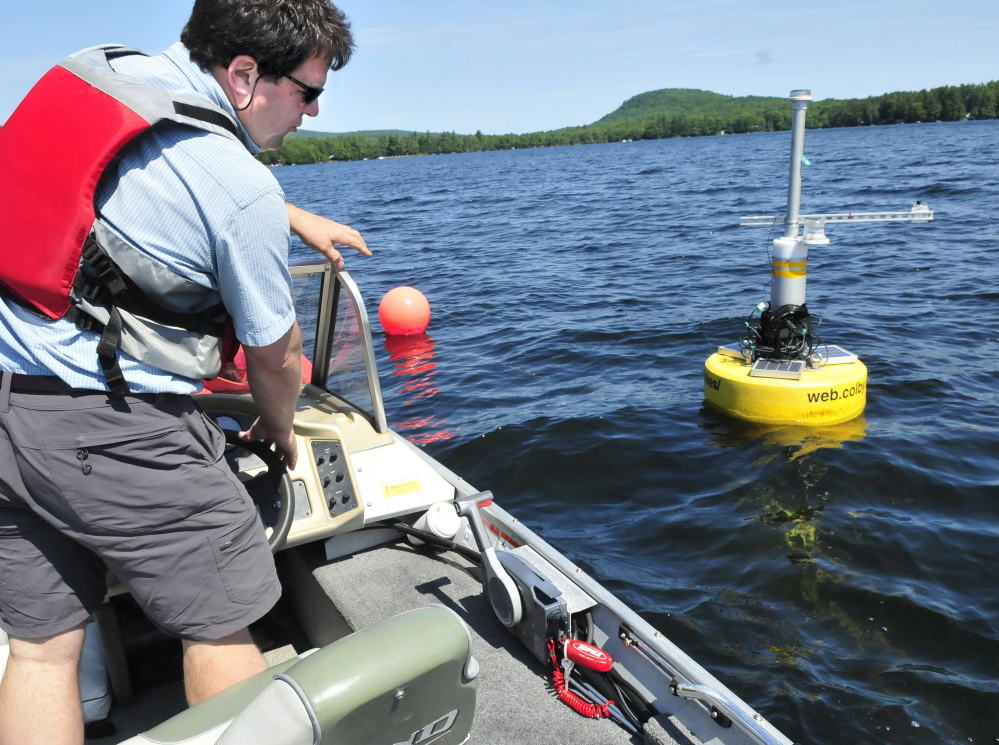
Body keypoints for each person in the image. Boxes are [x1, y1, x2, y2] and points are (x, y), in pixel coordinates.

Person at [0, 1, 364, 743]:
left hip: (9, 413)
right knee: (222, 625)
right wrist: (280, 426)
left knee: (41, 651)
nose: (313, 112)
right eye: (306, 91)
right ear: (242, 75)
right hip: (108, 426)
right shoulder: (239, 188)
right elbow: (275, 357)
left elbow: (126, 182)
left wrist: (290, 215)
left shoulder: (103, 75)